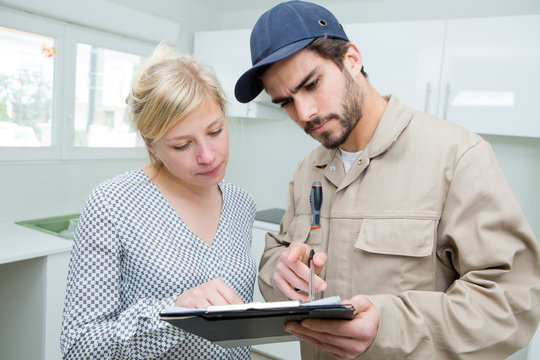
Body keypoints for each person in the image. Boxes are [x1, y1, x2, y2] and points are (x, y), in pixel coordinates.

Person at [234, 1, 540, 359]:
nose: (305, 114)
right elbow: (279, 253)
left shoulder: (457, 156)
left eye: (312, 84)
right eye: (285, 102)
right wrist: (280, 273)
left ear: (351, 59)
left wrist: (389, 325)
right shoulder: (307, 172)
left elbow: (513, 302)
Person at [61, 44, 257, 359]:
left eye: (216, 131)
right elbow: (80, 347)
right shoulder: (113, 203)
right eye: (182, 145)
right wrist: (174, 312)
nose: (208, 156)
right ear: (151, 145)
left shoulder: (240, 203)